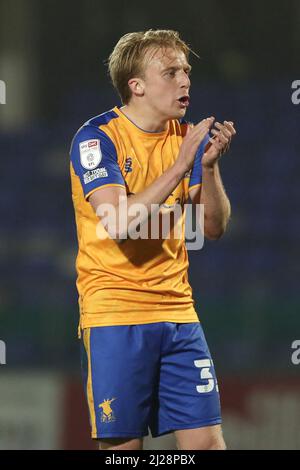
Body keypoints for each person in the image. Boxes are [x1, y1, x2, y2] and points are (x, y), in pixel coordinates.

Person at [69, 29, 236, 451]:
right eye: (171, 72)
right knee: (124, 453)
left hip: (179, 311)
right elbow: (119, 221)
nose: (185, 81)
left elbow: (213, 228)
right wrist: (181, 166)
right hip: (116, 314)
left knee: (208, 446)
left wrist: (209, 168)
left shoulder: (185, 139)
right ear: (136, 86)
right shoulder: (96, 139)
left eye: (186, 71)